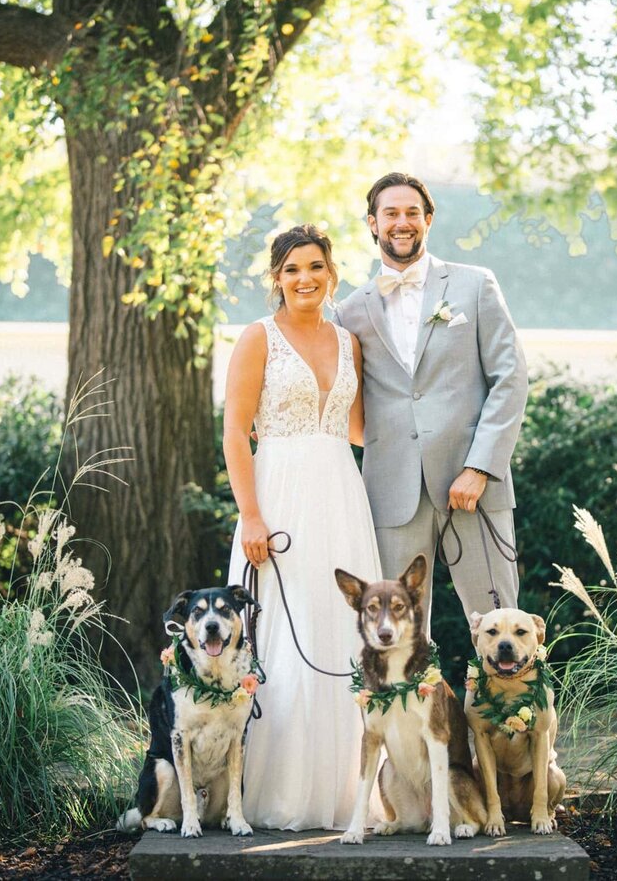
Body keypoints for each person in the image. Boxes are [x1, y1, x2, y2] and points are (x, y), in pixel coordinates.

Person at [223, 224, 382, 831]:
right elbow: (236, 431)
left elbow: (362, 430)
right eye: (292, 270)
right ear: (277, 279)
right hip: (280, 494)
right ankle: (273, 794)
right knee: (283, 637)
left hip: (341, 495)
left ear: (331, 272)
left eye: (315, 267)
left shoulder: (349, 343)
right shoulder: (258, 338)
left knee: (340, 630)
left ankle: (346, 794)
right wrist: (251, 515)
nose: (305, 279)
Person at [335, 172, 529, 628]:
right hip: (391, 491)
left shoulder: (475, 285)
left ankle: (516, 703)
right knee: (396, 633)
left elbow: (511, 378)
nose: (402, 223)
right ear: (372, 223)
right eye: (390, 214)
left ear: (428, 220)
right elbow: (343, 398)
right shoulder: (349, 310)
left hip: (473, 485)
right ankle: (409, 704)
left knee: (502, 621)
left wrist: (480, 468)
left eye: (411, 213)